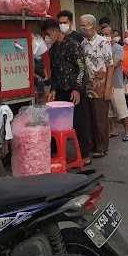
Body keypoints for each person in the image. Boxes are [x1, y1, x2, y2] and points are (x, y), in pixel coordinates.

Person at [41, 19, 91, 165]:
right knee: (58, 124)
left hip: (75, 91)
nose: (47, 37)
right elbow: (55, 73)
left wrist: (77, 89)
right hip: (61, 92)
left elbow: (82, 69)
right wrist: (53, 90)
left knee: (80, 123)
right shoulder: (53, 50)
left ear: (56, 30)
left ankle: (84, 154)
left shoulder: (73, 46)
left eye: (48, 34)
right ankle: (60, 154)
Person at [79, 14, 114, 158]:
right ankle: (93, 144)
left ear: (92, 26)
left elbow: (110, 66)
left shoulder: (103, 42)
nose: (81, 28)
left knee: (100, 118)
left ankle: (102, 147)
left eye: (83, 25)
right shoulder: (83, 44)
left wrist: (107, 88)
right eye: (80, 25)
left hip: (100, 86)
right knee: (90, 118)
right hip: (87, 86)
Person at [101, 26, 128, 142]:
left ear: (113, 36)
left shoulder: (118, 48)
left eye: (108, 35)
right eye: (103, 34)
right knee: (109, 111)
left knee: (121, 110)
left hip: (116, 84)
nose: (105, 37)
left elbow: (114, 64)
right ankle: (113, 130)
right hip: (104, 85)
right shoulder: (101, 48)